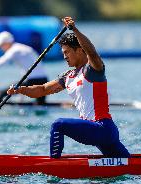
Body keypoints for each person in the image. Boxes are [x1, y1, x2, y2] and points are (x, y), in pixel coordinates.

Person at [7, 17, 130, 158]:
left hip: (102, 127)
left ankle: (53, 164)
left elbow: (92, 52)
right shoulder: (68, 76)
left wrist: (75, 30)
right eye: (63, 53)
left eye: (67, 52)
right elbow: (43, 90)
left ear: (79, 50)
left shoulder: (93, 70)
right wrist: (20, 89)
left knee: (58, 124)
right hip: (96, 131)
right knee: (128, 164)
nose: (64, 56)